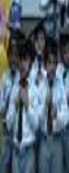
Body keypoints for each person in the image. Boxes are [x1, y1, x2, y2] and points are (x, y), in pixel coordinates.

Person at [7, 37, 38, 173]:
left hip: (29, 149)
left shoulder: (34, 90)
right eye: (20, 60)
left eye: (25, 60)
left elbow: (36, 125)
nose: (22, 64)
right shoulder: (14, 88)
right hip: (15, 150)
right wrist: (14, 106)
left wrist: (27, 105)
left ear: (30, 63)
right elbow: (8, 124)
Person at [38, 36, 68, 173]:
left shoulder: (61, 85)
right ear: (45, 65)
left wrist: (57, 115)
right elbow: (36, 121)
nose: (52, 67)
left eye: (55, 63)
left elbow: (66, 118)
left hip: (57, 140)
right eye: (49, 63)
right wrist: (45, 107)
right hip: (44, 140)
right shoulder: (40, 86)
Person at [57, 28, 69, 173]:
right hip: (58, 129)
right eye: (65, 52)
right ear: (60, 54)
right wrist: (65, 98)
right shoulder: (56, 72)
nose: (68, 55)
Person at [0, 30, 21, 172]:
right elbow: (0, 104)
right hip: (6, 131)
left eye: (16, 55)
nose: (13, 59)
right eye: (11, 55)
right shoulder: (4, 77)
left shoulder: (22, 77)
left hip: (18, 132)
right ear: (7, 56)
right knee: (4, 164)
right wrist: (5, 104)